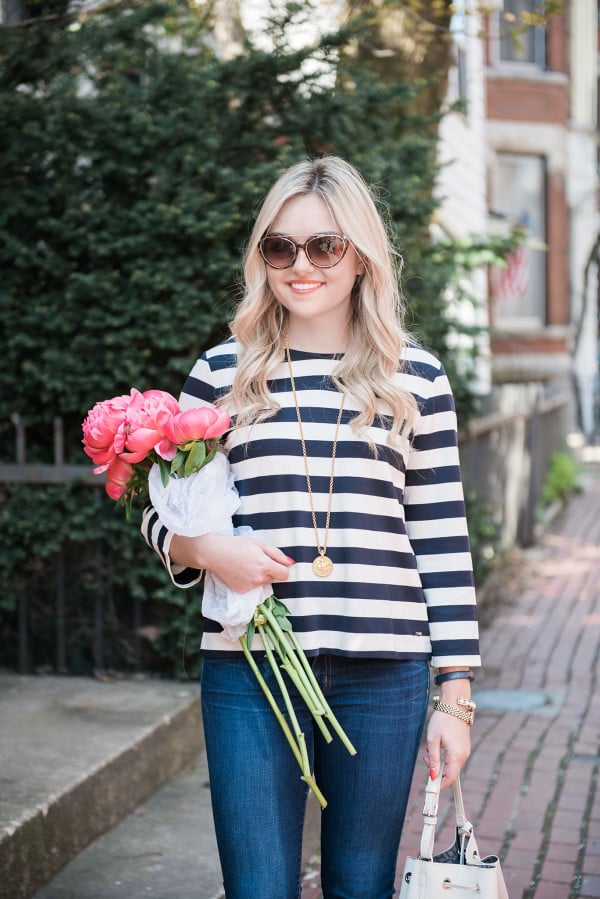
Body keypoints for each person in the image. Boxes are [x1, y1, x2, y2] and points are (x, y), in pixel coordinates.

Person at [141, 155, 481, 899]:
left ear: (360, 256)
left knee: (361, 886)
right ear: (261, 257)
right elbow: (157, 511)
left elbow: (443, 540)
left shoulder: (414, 377)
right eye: (279, 246)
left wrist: (454, 696)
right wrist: (208, 550)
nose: (302, 265)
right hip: (249, 670)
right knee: (258, 888)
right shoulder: (221, 374)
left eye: (324, 245)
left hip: (384, 676)